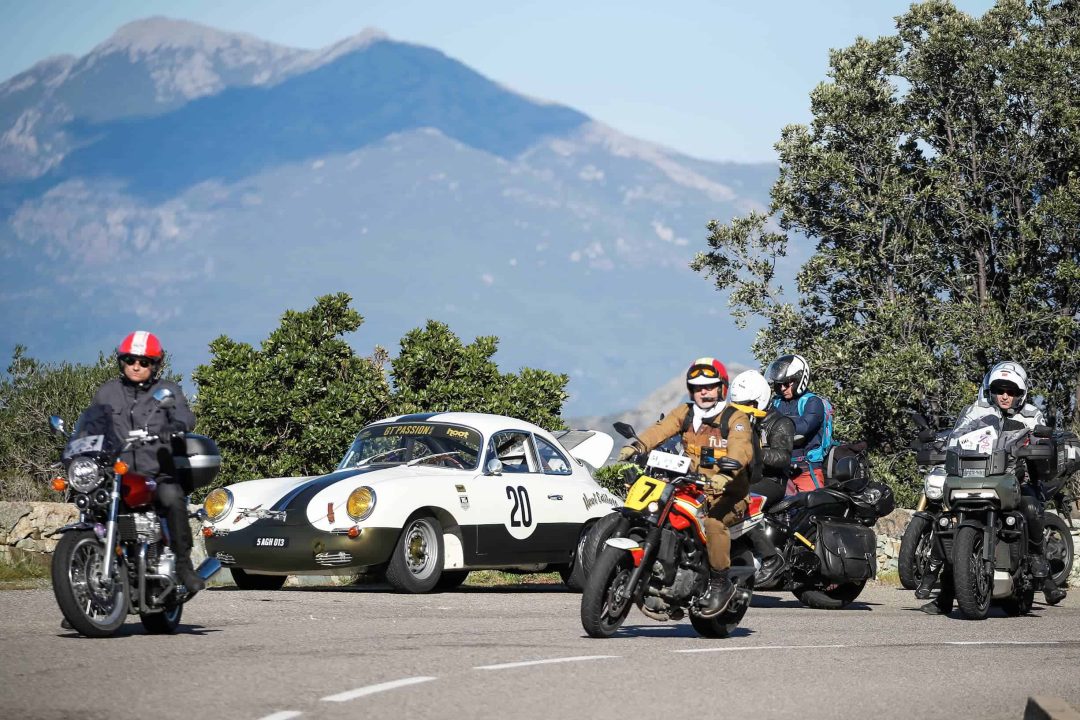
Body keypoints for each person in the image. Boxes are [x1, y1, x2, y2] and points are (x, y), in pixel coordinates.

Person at [918, 361, 1067, 613]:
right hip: (975, 477)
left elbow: (1042, 440)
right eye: (999, 390)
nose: (1005, 396)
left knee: (1030, 507)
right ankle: (944, 593)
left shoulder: (1031, 415)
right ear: (991, 391)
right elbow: (956, 436)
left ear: (1021, 393)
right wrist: (937, 444)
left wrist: (1040, 444)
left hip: (1018, 479)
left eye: (1011, 391)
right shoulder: (976, 411)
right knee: (947, 521)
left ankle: (1040, 566)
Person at [616, 357, 754, 616]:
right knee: (658, 510)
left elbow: (741, 447)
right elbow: (661, 429)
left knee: (713, 523)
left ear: (721, 388)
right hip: (691, 486)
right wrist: (637, 446)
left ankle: (720, 583)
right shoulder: (685, 413)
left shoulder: (735, 418)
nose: (704, 392)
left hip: (729, 492)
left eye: (710, 386)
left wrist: (726, 473)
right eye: (698, 387)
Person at [91, 331, 203, 593]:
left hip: (156, 472)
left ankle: (183, 565)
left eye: (144, 362)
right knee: (92, 503)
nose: (136, 366)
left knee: (172, 497)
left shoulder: (167, 390)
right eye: (130, 360)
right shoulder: (108, 392)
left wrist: (175, 426)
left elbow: (185, 415)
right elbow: (91, 424)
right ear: (122, 361)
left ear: (155, 365)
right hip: (116, 473)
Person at [728, 369, 796, 586]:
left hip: (771, 481)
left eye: (746, 404)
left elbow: (783, 457)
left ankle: (770, 558)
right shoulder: (740, 421)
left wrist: (755, 452)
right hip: (745, 478)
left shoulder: (780, 423)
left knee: (739, 500)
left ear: (760, 400)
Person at [764, 354, 826, 494]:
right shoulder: (776, 402)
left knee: (812, 504)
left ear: (799, 380)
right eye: (779, 384)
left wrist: (776, 426)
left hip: (806, 469)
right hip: (780, 468)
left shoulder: (812, 402)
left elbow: (804, 427)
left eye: (787, 383)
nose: (782, 388)